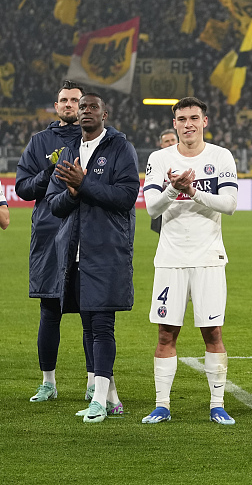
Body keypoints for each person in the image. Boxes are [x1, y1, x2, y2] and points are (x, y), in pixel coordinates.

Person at [141, 97, 239, 426]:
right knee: (166, 334)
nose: (188, 124)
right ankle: (162, 405)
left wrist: (193, 191)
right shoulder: (159, 158)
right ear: (174, 124)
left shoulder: (220, 156)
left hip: (209, 257)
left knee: (213, 332)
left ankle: (217, 404)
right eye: (181, 119)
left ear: (205, 121)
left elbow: (229, 204)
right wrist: (172, 188)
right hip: (170, 258)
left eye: (194, 117)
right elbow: (152, 207)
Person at [45, 92, 139, 422]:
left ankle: (99, 400)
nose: (85, 111)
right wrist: (72, 193)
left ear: (105, 114)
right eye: (82, 107)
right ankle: (111, 399)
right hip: (74, 252)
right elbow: (54, 204)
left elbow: (127, 196)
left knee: (101, 325)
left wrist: (83, 185)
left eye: (92, 107)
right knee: (88, 325)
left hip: (107, 250)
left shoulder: (120, 148)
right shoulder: (70, 151)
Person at [16, 80, 87, 403]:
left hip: (86, 235)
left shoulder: (98, 141)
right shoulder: (39, 142)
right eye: (64, 100)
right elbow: (23, 189)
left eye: (75, 100)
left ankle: (93, 382)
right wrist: (49, 172)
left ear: (85, 106)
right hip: (49, 233)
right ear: (56, 106)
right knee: (49, 309)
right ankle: (48, 382)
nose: (70, 105)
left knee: (92, 310)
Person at [150, 129, 178, 235]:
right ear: (161, 144)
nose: (170, 143)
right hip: (163, 206)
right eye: (167, 141)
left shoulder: (187, 158)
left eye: (172, 140)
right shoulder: (156, 161)